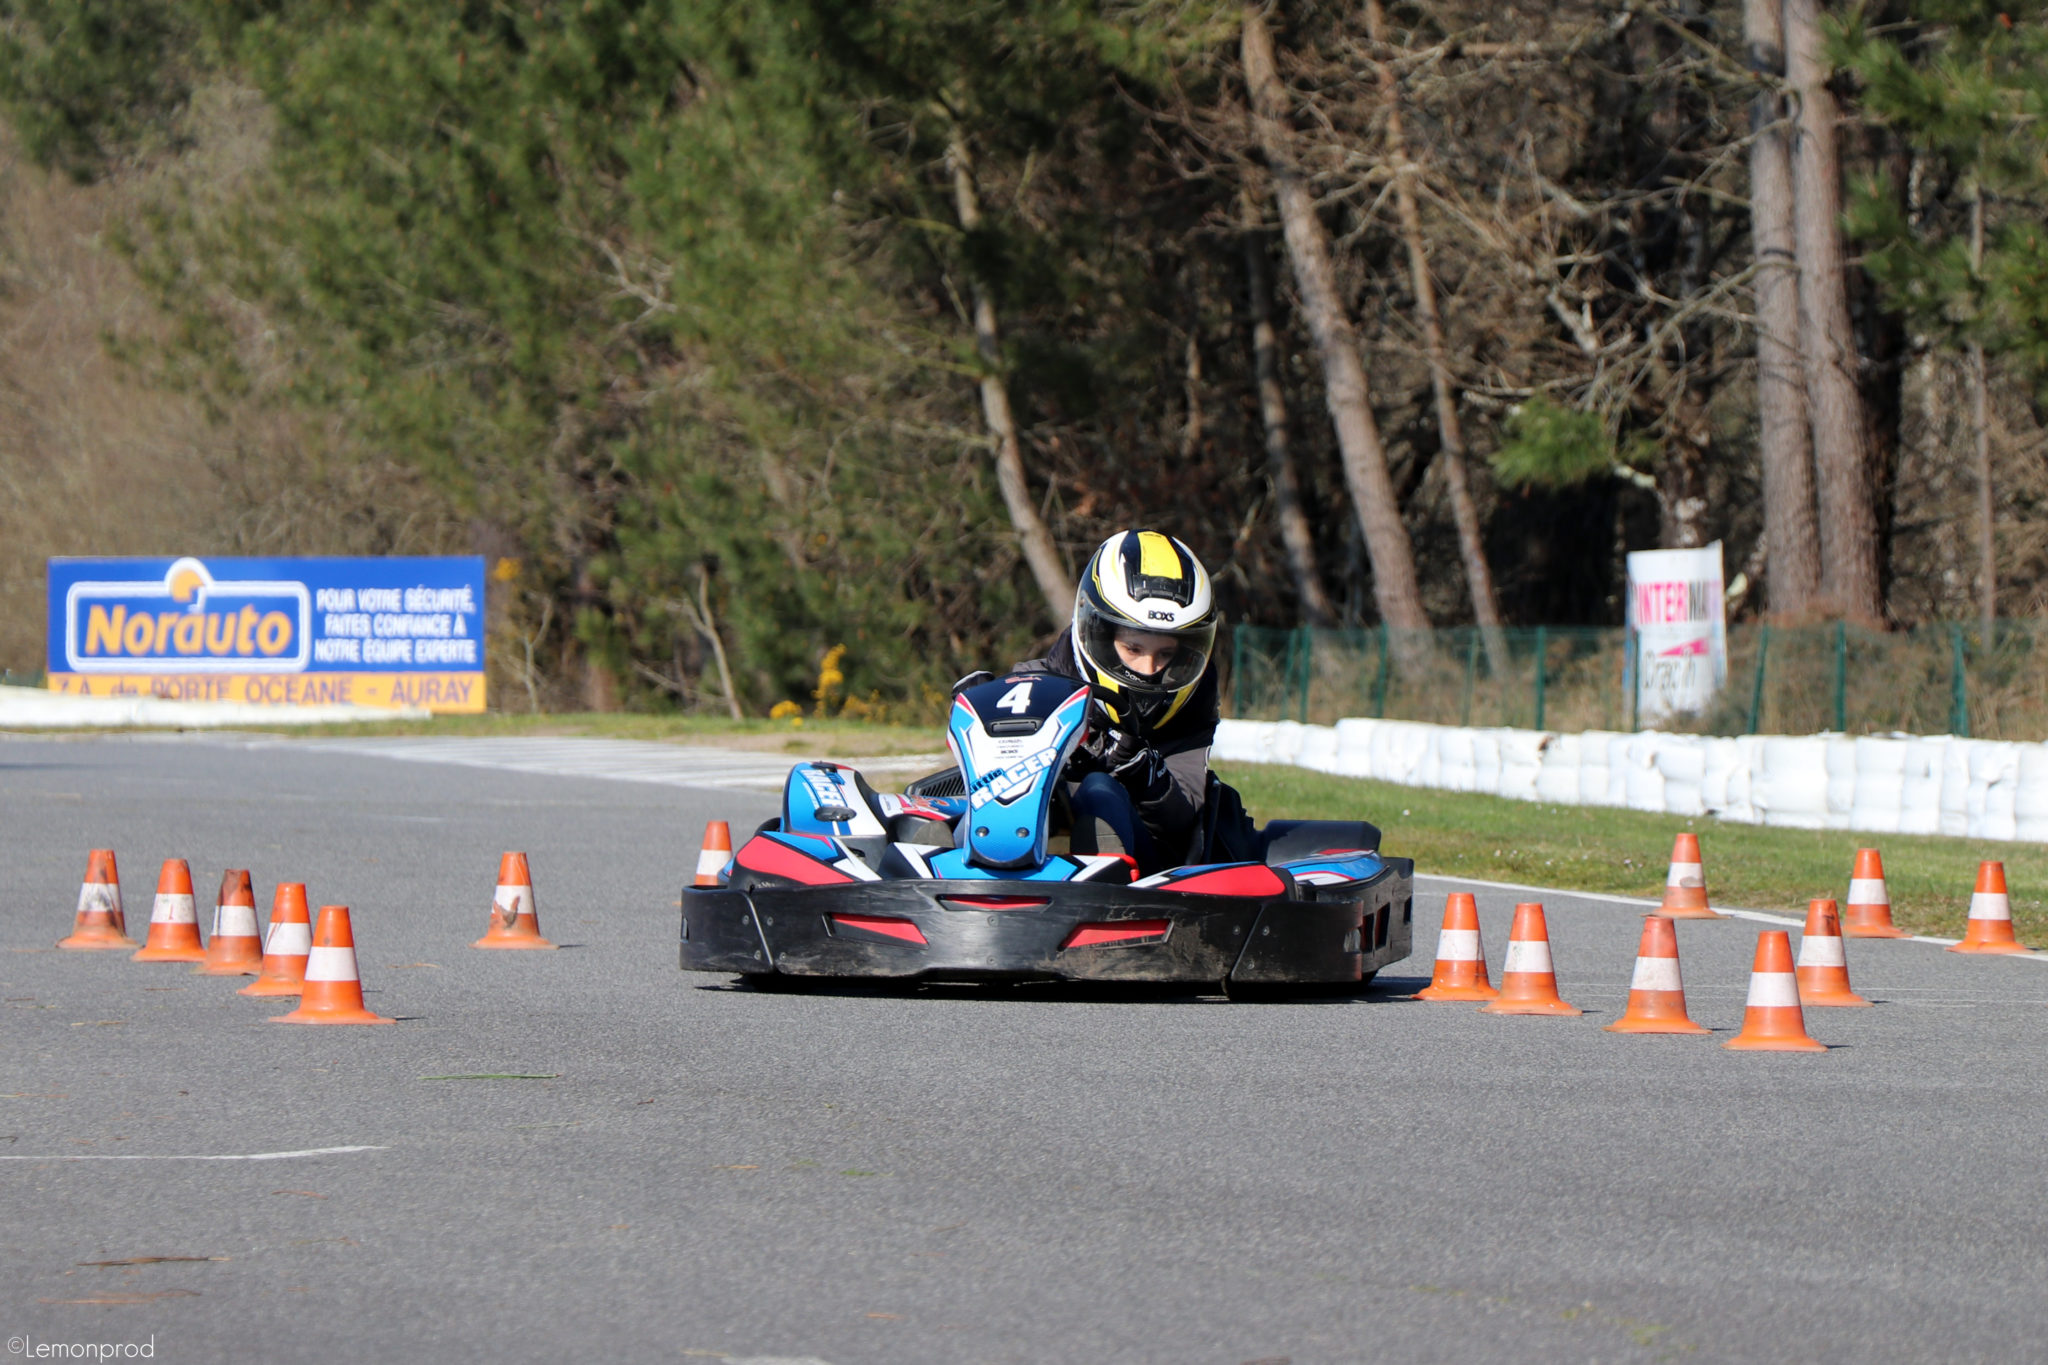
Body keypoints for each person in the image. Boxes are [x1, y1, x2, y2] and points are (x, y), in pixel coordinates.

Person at [1012, 529, 1222, 873]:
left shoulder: (1191, 707)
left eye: (1165, 654)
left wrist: (1145, 773)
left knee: (1100, 790)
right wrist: (978, 706)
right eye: (1133, 649)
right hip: (1025, 852)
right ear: (1097, 633)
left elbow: (1182, 818)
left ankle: (1103, 879)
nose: (1149, 671)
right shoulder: (1032, 685)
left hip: (1144, 874)